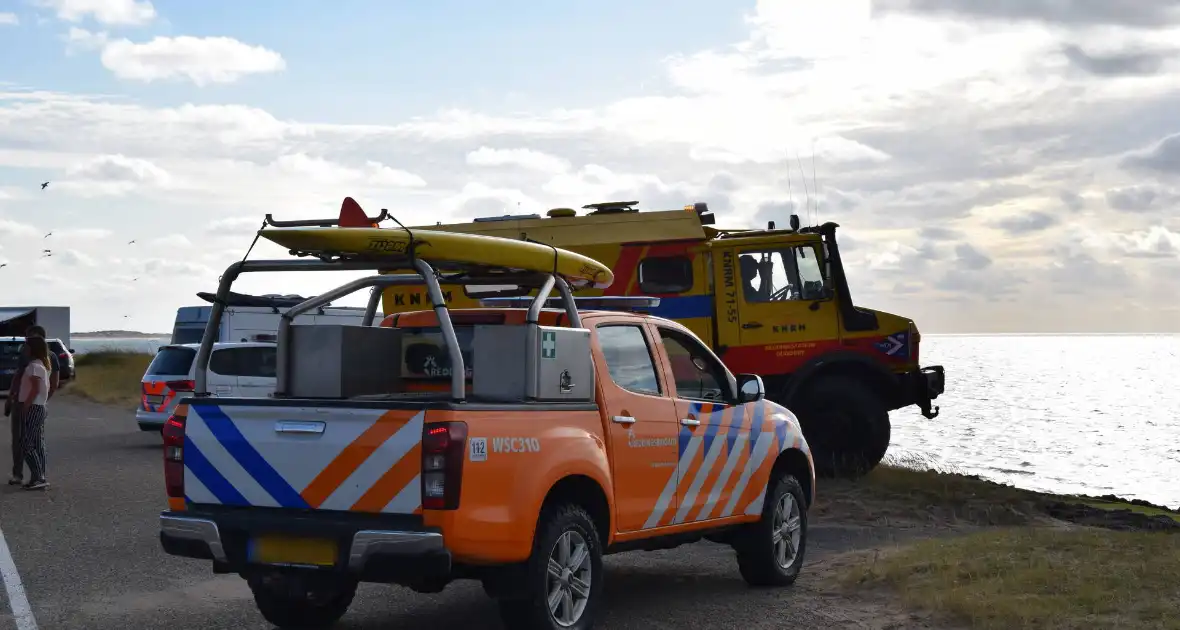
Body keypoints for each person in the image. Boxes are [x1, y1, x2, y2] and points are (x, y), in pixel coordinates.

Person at [5, 325, 59, 486]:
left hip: (30, 405)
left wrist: (36, 402)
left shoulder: (43, 360)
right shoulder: (29, 358)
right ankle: (21, 474)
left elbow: (49, 383)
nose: (25, 342)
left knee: (30, 441)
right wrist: (11, 398)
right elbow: (18, 377)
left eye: (29, 338)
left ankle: (39, 475)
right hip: (27, 402)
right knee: (22, 439)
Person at [14, 336, 51, 490]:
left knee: (26, 443)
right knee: (36, 444)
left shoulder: (35, 366)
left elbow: (35, 388)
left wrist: (26, 405)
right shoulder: (39, 365)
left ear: (32, 348)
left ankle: (38, 477)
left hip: (34, 407)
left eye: (26, 346)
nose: (24, 349)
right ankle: (38, 477)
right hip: (38, 406)